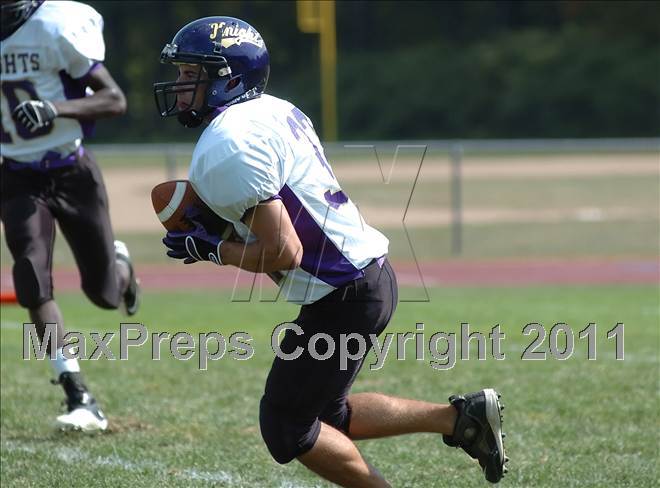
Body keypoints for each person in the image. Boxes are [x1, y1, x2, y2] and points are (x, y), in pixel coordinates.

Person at [155, 16, 507, 486]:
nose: (179, 86)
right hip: (365, 278)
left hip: (344, 293)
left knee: (286, 426)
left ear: (229, 78)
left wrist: (213, 248)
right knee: (328, 415)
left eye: (189, 74)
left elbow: (284, 252)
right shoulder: (271, 110)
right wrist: (224, 231)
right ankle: (461, 419)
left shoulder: (227, 144)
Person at [0, 0, 140, 432]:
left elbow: (115, 100)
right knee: (30, 276)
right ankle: (78, 393)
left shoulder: (54, 27)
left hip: (71, 170)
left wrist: (54, 108)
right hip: (17, 175)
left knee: (105, 294)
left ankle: (121, 265)